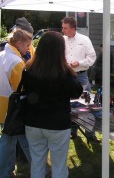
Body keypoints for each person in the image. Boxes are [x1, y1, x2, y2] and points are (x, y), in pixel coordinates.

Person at [22, 31, 83, 178]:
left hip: (33, 122)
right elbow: (77, 91)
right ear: (60, 50)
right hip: (57, 124)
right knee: (59, 165)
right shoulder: (63, 72)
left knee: (37, 163)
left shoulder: (28, 69)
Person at [61, 16, 100, 143]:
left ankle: (90, 133)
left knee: (87, 103)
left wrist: (80, 63)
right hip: (66, 76)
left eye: (65, 28)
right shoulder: (62, 40)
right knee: (69, 104)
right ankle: (72, 131)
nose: (63, 30)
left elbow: (92, 57)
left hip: (81, 75)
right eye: (63, 27)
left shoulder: (84, 40)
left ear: (73, 28)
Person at [0, 29, 33, 178]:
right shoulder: (16, 61)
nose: (28, 49)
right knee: (23, 141)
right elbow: (22, 88)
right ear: (19, 44)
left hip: (4, 107)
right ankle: (41, 170)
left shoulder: (2, 55)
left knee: (10, 141)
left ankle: (6, 172)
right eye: (27, 45)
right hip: (14, 109)